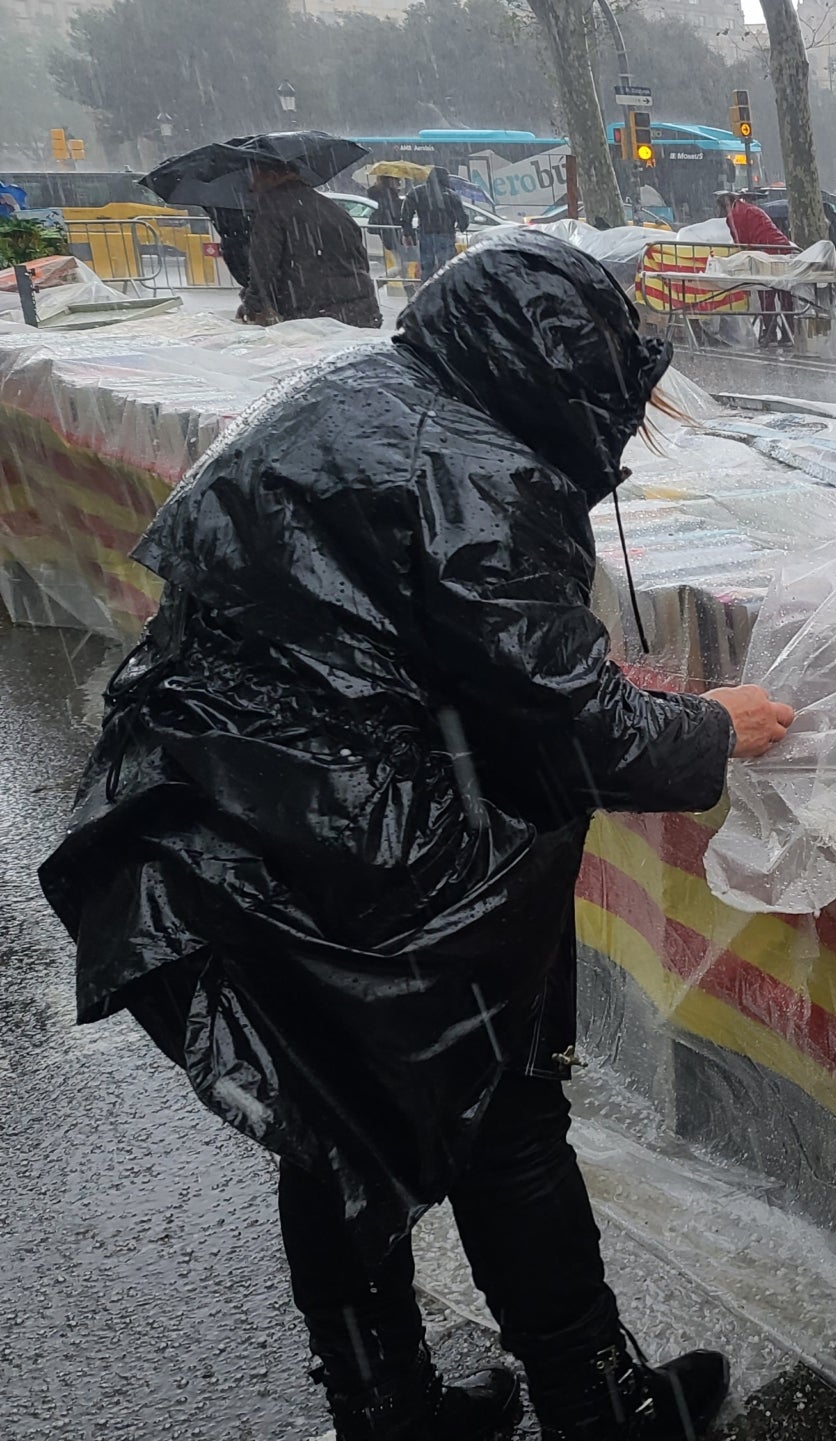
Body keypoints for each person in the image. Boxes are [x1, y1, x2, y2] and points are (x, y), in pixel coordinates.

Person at [40, 230, 795, 1441]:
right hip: (362, 843)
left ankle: (384, 1407)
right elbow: (576, 729)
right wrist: (712, 724)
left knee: (328, 1114)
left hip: (223, 810)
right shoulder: (482, 475)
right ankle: (598, 1405)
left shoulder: (346, 392)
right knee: (501, 1112)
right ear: (565, 370)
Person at [245, 161, 381, 327]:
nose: (252, 187)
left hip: (313, 314)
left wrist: (253, 303)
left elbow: (264, 263)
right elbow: (360, 260)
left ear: (273, 177)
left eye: (255, 178)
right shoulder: (332, 209)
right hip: (361, 310)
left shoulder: (272, 208)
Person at [405, 165, 469, 285]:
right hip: (446, 233)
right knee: (446, 265)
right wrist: (462, 225)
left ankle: (426, 288)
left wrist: (408, 232)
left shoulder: (417, 192)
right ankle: (444, 288)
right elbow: (462, 216)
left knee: (427, 265)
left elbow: (406, 214)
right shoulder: (451, 195)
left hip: (425, 232)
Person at [366, 170, 413, 281]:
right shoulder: (388, 195)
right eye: (397, 180)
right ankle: (380, 280)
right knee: (402, 265)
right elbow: (395, 211)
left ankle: (407, 288)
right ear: (390, 180)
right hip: (392, 233)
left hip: (390, 232)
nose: (399, 182)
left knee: (403, 264)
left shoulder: (381, 193)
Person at [725, 192, 791, 249]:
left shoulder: (737, 215)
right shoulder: (750, 211)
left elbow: (741, 243)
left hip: (769, 251)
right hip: (777, 248)